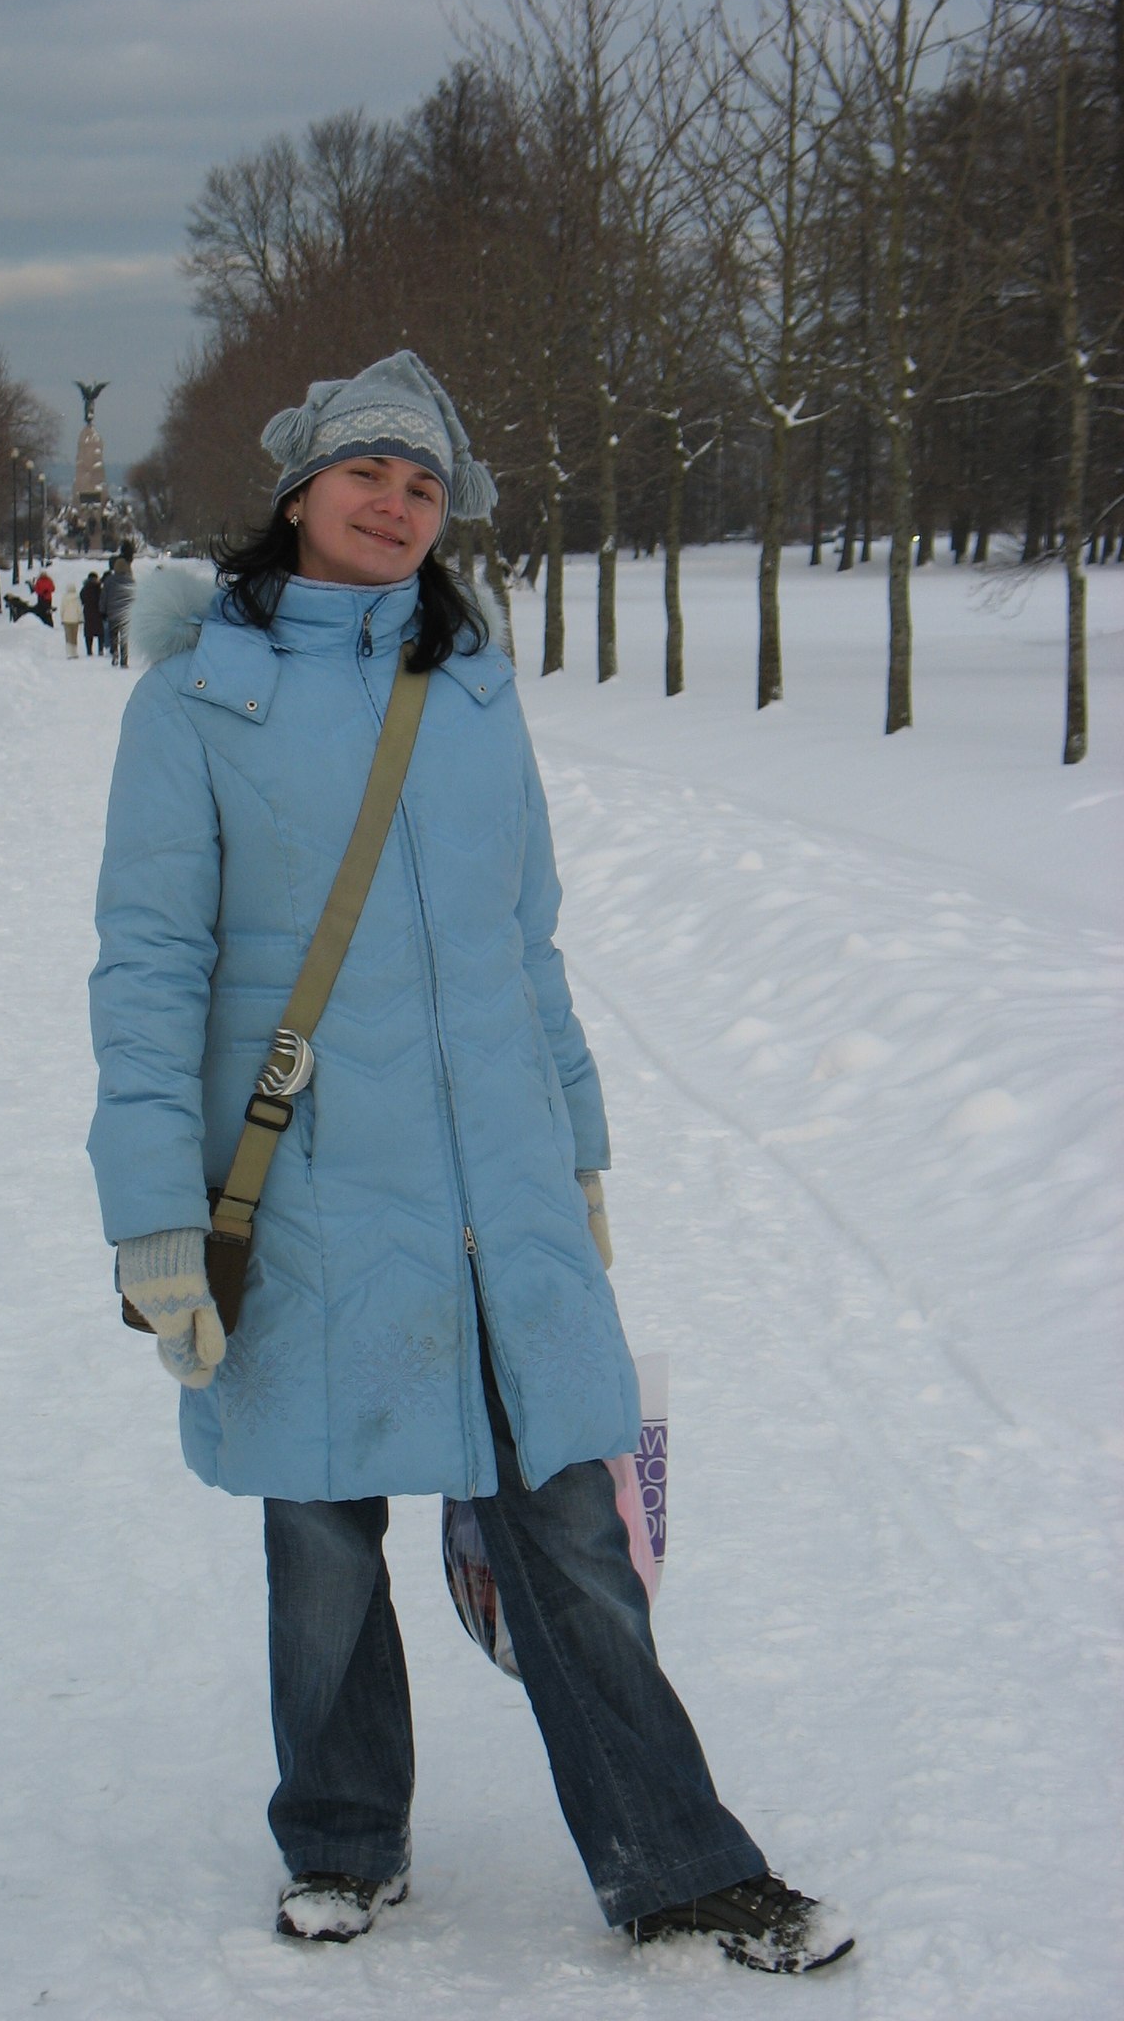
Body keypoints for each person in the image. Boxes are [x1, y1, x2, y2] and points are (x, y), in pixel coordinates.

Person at [86, 351, 853, 1975]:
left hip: (499, 1195)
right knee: (320, 1542)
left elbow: (528, 940)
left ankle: (678, 1861)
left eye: (424, 483)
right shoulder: (197, 698)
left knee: (571, 1527)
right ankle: (341, 1837)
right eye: (367, 472)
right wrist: (153, 1214)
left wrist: (577, 1148)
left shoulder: (477, 686)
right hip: (305, 1187)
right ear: (300, 491)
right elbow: (147, 969)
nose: (395, 503)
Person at [103, 551, 134, 666]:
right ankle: (124, 660)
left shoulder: (109, 580)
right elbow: (133, 597)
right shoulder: (130, 581)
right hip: (125, 614)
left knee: (113, 635)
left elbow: (104, 597)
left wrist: (103, 610)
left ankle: (114, 652)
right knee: (124, 638)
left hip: (112, 613)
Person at [80, 570, 104, 657]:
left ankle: (89, 650)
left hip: (88, 612)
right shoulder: (99, 589)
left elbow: (82, 600)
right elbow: (103, 600)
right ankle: (100, 650)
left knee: (88, 632)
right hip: (98, 612)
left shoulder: (84, 589)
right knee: (100, 632)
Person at [60, 582, 82, 657]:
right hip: (75, 620)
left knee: (68, 636)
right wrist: (80, 618)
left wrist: (62, 617)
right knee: (74, 637)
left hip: (66, 619)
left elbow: (62, 609)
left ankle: (69, 653)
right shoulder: (77, 598)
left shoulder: (64, 598)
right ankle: (74, 652)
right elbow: (79, 609)